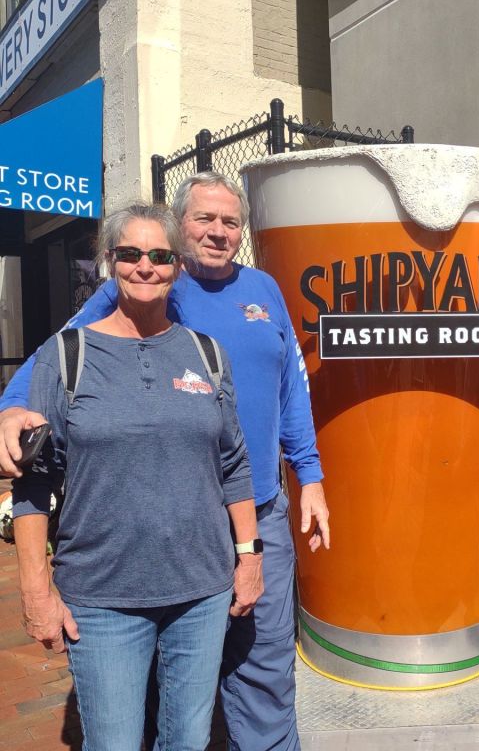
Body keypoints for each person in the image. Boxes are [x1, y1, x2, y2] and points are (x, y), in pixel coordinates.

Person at [0, 172, 330, 751]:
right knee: (164, 681)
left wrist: (311, 475)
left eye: (231, 221)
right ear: (181, 229)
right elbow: (46, 369)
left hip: (259, 512)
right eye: (204, 218)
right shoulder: (144, 282)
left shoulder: (265, 290)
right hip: (166, 524)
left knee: (265, 666)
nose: (218, 231)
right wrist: (9, 412)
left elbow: (291, 388)